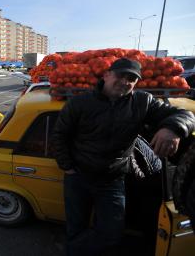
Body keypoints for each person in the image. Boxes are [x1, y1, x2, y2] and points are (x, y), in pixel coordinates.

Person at [51, 58, 195, 256]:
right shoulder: (79, 102)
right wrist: (67, 166)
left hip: (112, 180)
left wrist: (173, 129)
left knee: (112, 233)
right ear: (107, 75)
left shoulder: (143, 102)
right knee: (76, 226)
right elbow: (59, 135)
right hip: (78, 176)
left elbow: (186, 115)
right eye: (121, 75)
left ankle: (71, 249)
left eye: (132, 79)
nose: (126, 82)